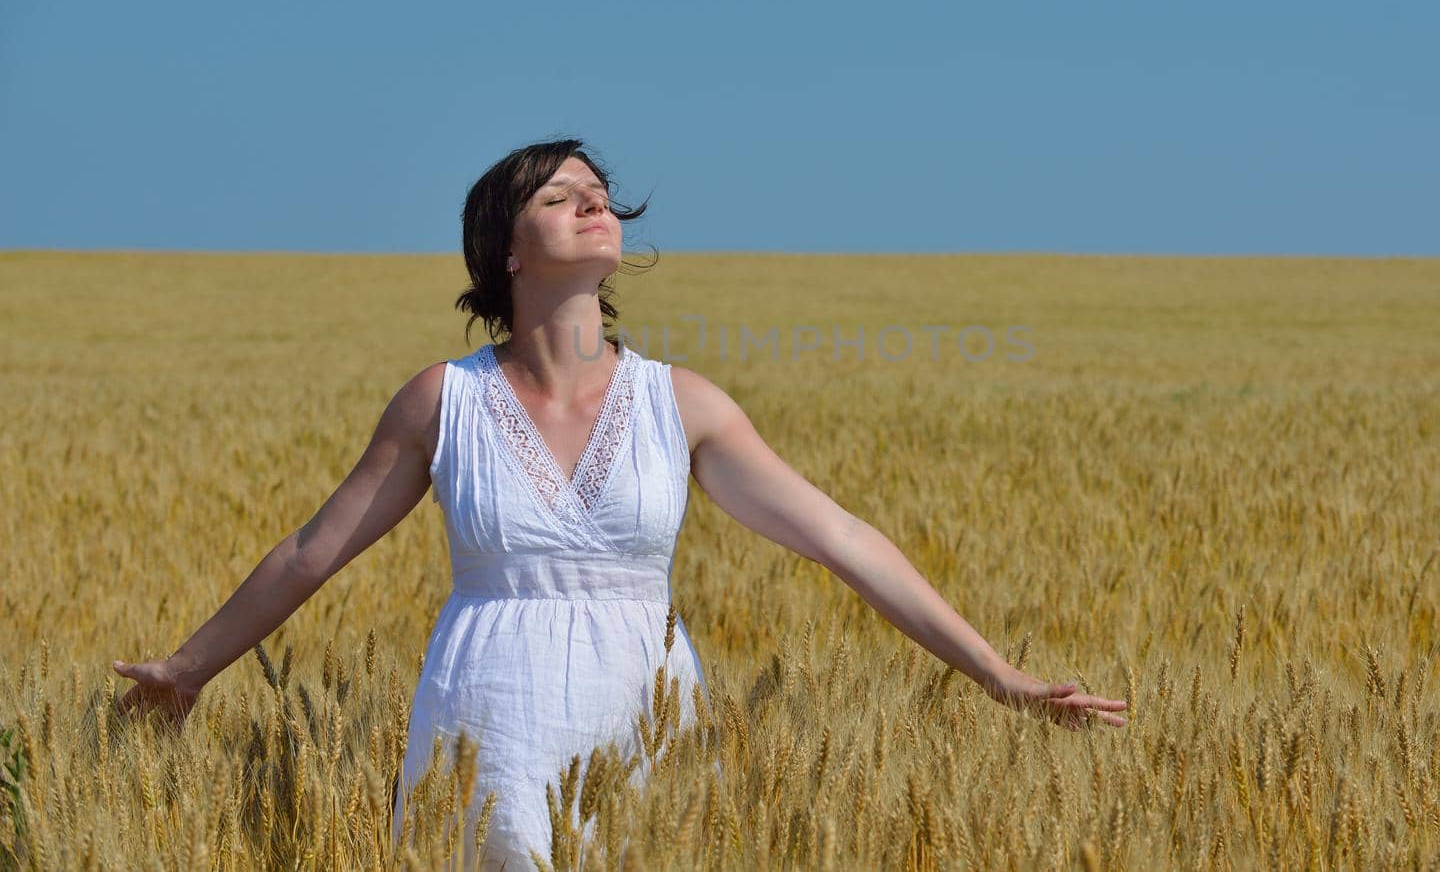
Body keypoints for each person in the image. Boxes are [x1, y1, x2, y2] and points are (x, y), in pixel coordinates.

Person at [111, 138, 1129, 868]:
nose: (594, 204)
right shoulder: (444, 399)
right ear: (505, 248)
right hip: (487, 706)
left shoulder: (680, 402)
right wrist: (187, 669)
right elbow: (309, 553)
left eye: (599, 193)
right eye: (560, 196)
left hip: (643, 707)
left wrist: (1000, 676)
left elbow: (842, 540)